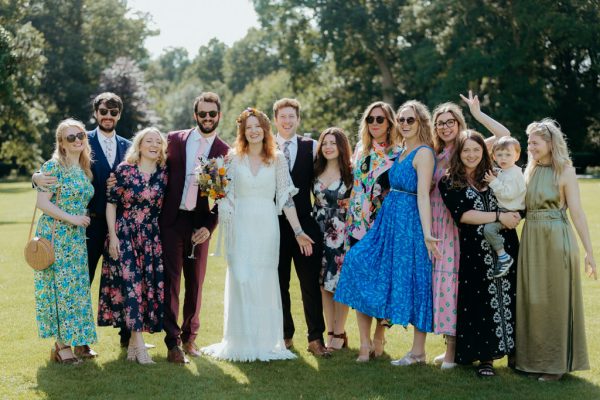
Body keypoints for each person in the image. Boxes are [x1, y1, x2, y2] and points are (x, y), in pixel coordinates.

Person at [201, 108, 313, 362]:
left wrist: (298, 231)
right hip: (239, 225)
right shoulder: (231, 157)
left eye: (257, 126)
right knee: (241, 278)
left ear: (265, 129)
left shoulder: (278, 158)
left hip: (266, 225)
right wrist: (216, 193)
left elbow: (286, 199)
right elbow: (221, 193)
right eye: (248, 127)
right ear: (242, 131)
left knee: (262, 280)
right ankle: (240, 340)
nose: (253, 131)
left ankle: (263, 341)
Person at [335, 101, 440, 365]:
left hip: (409, 222)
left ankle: (418, 352)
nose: (405, 124)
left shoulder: (424, 153)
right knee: (358, 261)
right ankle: (370, 341)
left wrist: (427, 233)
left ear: (421, 124)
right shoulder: (404, 150)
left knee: (415, 278)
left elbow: (424, 195)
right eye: (402, 120)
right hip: (388, 219)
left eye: (410, 120)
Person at [34, 92, 132, 349]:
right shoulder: (80, 138)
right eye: (103, 111)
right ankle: (75, 342)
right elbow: (49, 173)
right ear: (96, 113)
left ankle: (127, 337)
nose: (108, 116)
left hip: (116, 224)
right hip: (84, 226)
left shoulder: (125, 146)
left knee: (121, 279)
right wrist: (36, 177)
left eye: (113, 112)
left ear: (119, 115)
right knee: (78, 283)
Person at [430, 92, 510, 368]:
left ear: (459, 123)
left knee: (459, 286)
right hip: (442, 221)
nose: (445, 126)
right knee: (445, 286)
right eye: (440, 122)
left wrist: (477, 114)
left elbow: (503, 135)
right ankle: (451, 346)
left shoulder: (471, 145)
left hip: (465, 225)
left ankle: (457, 350)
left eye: (451, 121)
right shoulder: (436, 154)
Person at [516, 119, 597, 381]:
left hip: (556, 238)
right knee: (533, 300)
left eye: (534, 142)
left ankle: (555, 365)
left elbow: (578, 213)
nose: (530, 147)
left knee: (555, 301)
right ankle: (531, 361)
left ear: (551, 144)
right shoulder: (529, 170)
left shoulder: (565, 170)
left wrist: (589, 252)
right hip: (531, 239)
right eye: (528, 142)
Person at [439, 130, 521, 378]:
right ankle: (485, 359)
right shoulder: (449, 181)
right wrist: (499, 216)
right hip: (474, 252)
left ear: (483, 151)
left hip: (505, 245)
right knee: (481, 303)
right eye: (466, 150)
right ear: (459, 154)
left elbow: (516, 197)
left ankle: (516, 354)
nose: (472, 154)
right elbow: (463, 215)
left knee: (510, 297)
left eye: (476, 149)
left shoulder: (495, 174)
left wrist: (514, 216)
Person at [159, 92, 230, 364]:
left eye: (213, 114)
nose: (208, 118)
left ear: (219, 116)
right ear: (195, 115)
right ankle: (172, 342)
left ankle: (190, 337)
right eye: (203, 114)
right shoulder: (175, 140)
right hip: (172, 220)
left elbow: (220, 196)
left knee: (196, 282)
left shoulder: (222, 150)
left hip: (200, 223)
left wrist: (209, 226)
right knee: (171, 281)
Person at [336, 101, 400, 362]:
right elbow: (357, 185)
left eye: (380, 119)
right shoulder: (361, 150)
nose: (375, 124)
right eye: (370, 119)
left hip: (385, 226)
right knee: (362, 282)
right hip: (358, 225)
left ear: (390, 123)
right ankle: (364, 343)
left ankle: (379, 336)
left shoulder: (400, 153)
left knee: (384, 282)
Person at [98, 127, 168, 364]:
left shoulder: (164, 174)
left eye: (158, 142)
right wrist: (113, 236)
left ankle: (132, 348)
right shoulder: (124, 171)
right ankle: (139, 347)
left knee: (144, 289)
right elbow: (111, 204)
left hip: (150, 238)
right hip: (125, 234)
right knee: (131, 287)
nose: (154, 145)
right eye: (149, 140)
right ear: (139, 145)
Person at [33, 118, 97, 363]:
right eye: (71, 137)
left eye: (80, 135)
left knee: (76, 290)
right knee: (59, 289)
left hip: (76, 239)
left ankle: (74, 339)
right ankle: (61, 346)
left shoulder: (83, 167)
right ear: (61, 142)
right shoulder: (53, 166)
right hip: (56, 236)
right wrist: (72, 218)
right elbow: (42, 203)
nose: (77, 140)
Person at [273, 98, 330, 357]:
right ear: (275, 120)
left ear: (298, 119)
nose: (287, 121)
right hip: (272, 224)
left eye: (291, 117)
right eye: (282, 117)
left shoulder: (312, 146)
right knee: (279, 282)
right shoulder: (265, 146)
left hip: (305, 224)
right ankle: (285, 335)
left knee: (309, 282)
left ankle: (315, 338)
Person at [312, 127, 353, 350]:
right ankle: (330, 331)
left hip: (341, 232)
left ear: (341, 146)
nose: (328, 147)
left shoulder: (351, 172)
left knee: (338, 284)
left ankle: (340, 331)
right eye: (324, 143)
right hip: (317, 229)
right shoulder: (315, 170)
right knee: (322, 285)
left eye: (333, 143)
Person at [482, 137, 526, 278]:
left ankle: (503, 256)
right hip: (503, 211)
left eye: (508, 154)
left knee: (489, 229)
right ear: (494, 156)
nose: (503, 158)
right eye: (499, 155)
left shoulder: (515, 174)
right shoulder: (504, 171)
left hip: (509, 212)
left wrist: (494, 182)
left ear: (517, 156)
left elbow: (508, 194)